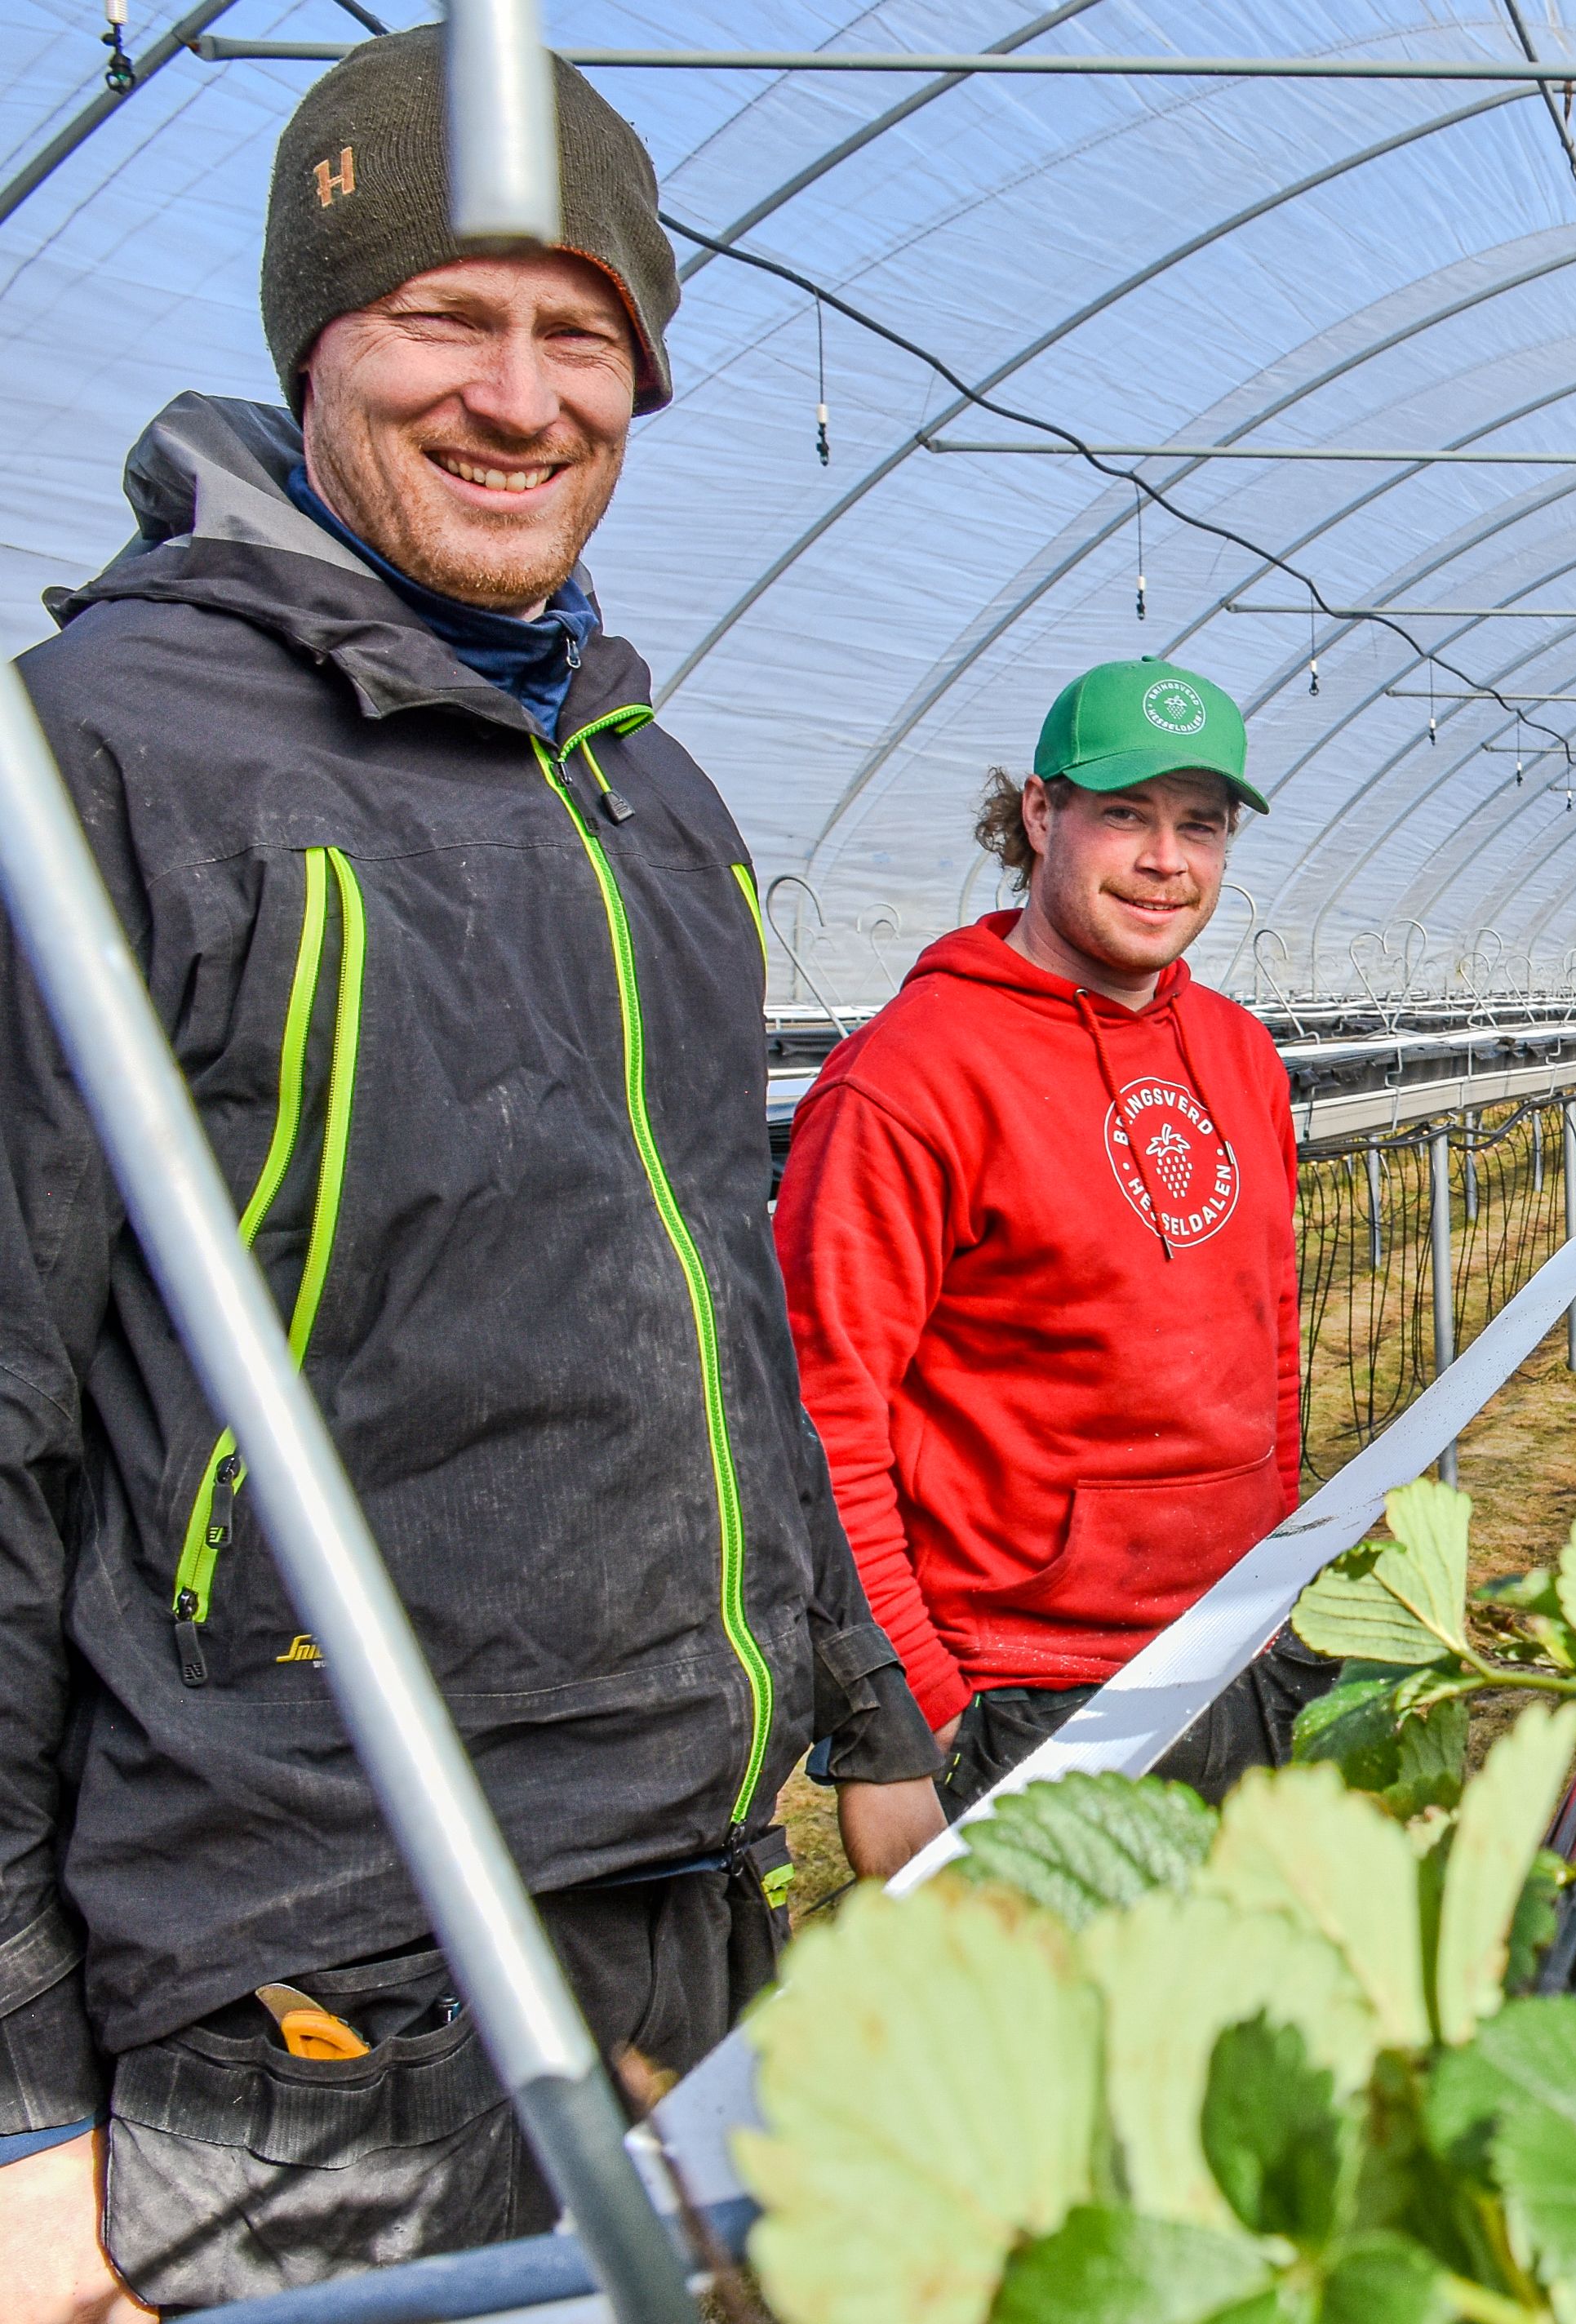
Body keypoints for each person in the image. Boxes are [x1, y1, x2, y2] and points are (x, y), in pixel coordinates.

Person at [0, 29, 947, 2317]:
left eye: (580, 334)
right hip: (314, 1970)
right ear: (312, 340)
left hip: (687, 1895)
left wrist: (866, 1712)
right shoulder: (95, 766)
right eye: (444, 317)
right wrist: (19, 2097)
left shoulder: (645, 792)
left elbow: (717, 1310)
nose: (518, 399)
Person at [775, 660, 1325, 1826]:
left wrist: (1278, 1565)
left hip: (1244, 1642)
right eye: (1125, 814)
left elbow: (1268, 1336)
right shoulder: (911, 1078)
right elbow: (822, 1415)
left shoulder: (1239, 1053)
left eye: (1200, 825)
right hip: (1033, 1691)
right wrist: (895, 1714)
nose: (1166, 860)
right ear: (1039, 813)